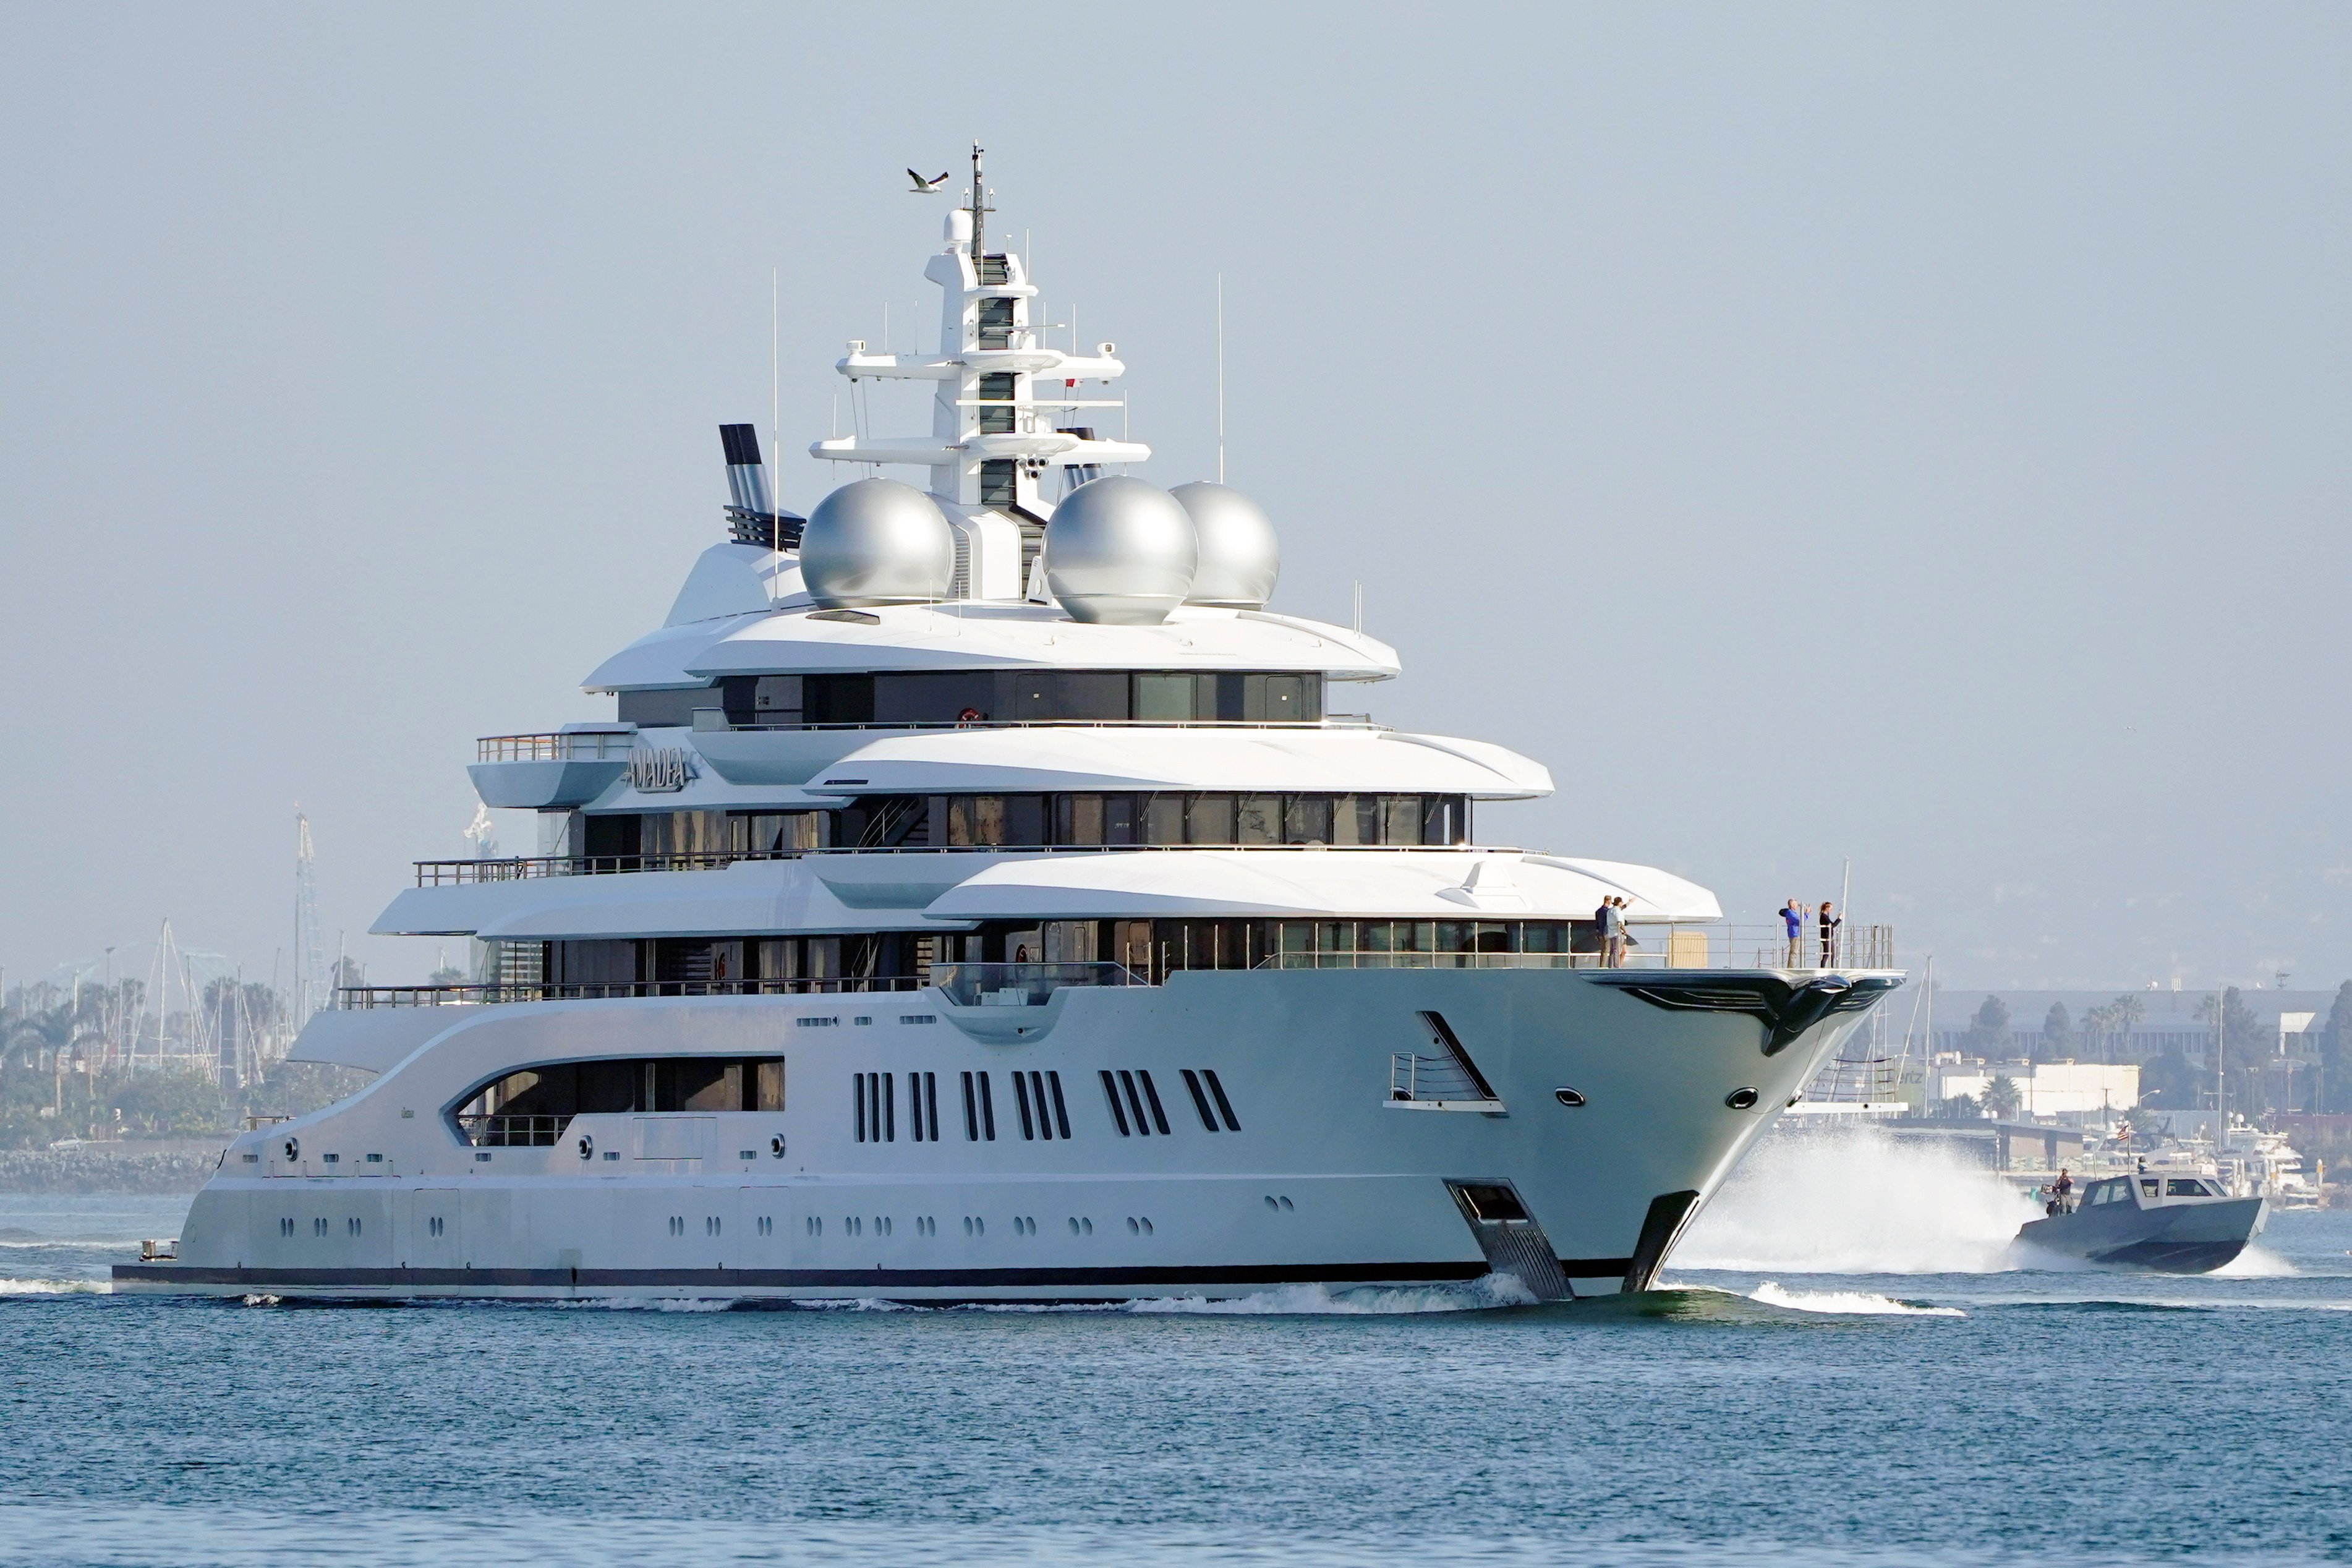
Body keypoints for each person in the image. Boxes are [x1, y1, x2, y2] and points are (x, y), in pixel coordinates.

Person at [1779, 899, 1804, 966]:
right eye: (1796, 904)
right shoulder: (1790, 913)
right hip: (1794, 934)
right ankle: (1791, 967)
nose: (1797, 906)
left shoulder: (1790, 913)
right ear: (1792, 905)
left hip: (1794, 933)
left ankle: (1791, 966)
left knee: (1794, 951)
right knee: (1794, 952)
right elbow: (1800, 920)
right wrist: (1806, 914)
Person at [1817, 901, 1841, 968]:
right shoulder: (1823, 916)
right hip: (1826, 937)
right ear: (1827, 908)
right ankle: (1822, 968)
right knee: (1827, 953)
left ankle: (1832, 967)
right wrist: (1839, 919)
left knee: (1832, 954)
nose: (1831, 910)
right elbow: (1832, 925)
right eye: (1831, 908)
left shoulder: (1826, 916)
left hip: (1830, 937)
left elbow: (1832, 925)